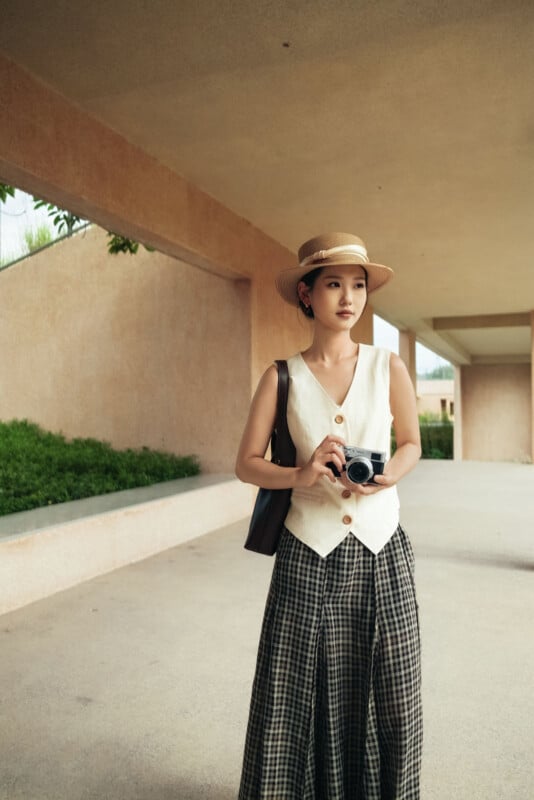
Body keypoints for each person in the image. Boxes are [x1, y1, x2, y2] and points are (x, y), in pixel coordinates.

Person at [235, 232, 422, 800]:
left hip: (381, 548)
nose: (349, 297)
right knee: (293, 690)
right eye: (334, 284)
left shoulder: (388, 366)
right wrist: (299, 474)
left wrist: (391, 473)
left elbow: (412, 442)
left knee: (391, 690)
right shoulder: (280, 376)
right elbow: (245, 464)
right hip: (305, 548)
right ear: (306, 294)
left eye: (358, 285)